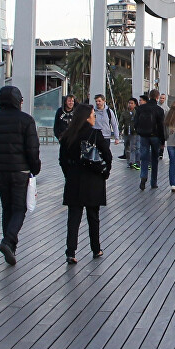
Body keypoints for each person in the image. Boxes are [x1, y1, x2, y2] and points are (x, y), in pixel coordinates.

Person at [0, 84, 41, 266]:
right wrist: (34, 168)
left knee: (6, 208)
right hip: (20, 171)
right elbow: (32, 149)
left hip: (0, 172)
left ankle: (10, 247)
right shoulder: (26, 120)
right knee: (19, 208)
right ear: (18, 101)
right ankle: (8, 241)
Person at [59, 104, 112, 261]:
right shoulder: (95, 134)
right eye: (92, 114)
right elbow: (108, 157)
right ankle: (96, 249)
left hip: (74, 180)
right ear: (87, 117)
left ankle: (71, 252)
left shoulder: (68, 135)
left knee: (73, 217)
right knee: (93, 216)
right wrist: (105, 173)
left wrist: (69, 175)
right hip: (93, 180)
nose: (94, 116)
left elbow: (62, 160)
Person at [132, 89, 166, 190]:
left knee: (144, 157)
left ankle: (143, 176)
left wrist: (139, 131)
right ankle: (153, 182)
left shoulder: (140, 109)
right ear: (157, 97)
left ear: (149, 96)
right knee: (154, 159)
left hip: (143, 136)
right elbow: (161, 126)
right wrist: (163, 141)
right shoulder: (159, 110)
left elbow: (135, 123)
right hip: (155, 137)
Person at [121, 97, 138, 166]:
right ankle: (128, 160)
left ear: (135, 105)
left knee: (133, 147)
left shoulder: (136, 113)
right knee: (126, 146)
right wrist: (120, 129)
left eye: (132, 103)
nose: (130, 105)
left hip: (134, 133)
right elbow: (121, 122)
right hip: (126, 132)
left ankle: (132, 161)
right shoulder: (124, 113)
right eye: (129, 103)